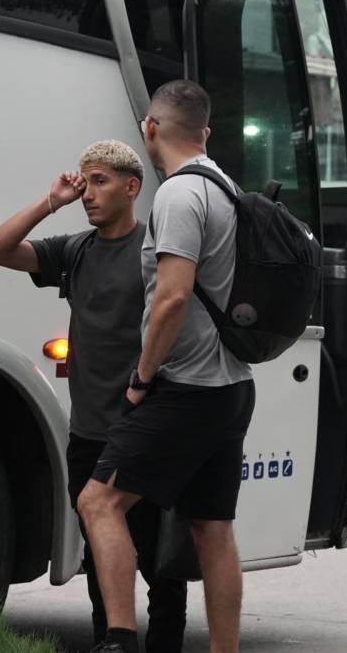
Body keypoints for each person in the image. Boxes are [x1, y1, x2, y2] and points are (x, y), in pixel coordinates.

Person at [0, 140, 188, 652]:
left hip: (144, 429)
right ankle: (109, 641)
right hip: (89, 434)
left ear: (131, 187)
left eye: (100, 182)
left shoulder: (154, 251)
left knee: (160, 563)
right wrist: (51, 202)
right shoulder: (75, 250)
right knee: (98, 556)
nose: (88, 194)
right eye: (85, 182)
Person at [77, 80, 255, 653]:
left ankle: (119, 640)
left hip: (186, 388)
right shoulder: (226, 187)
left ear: (150, 128)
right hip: (232, 386)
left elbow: (173, 297)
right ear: (205, 132)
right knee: (211, 528)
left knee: (98, 502)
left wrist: (142, 378)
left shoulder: (179, 195)